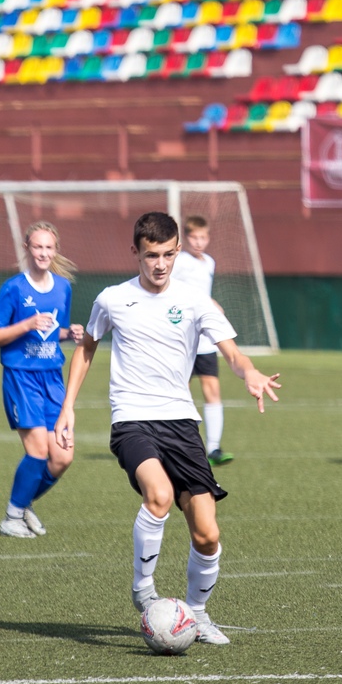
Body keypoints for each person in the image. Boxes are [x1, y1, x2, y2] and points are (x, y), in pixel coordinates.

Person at [55, 212, 281, 646]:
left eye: (168, 255)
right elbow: (86, 351)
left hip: (181, 422)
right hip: (132, 420)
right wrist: (68, 408)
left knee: (207, 532)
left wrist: (249, 372)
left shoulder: (195, 301)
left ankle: (196, 614)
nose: (160, 264)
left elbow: (232, 354)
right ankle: (143, 588)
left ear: (178, 251)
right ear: (135, 252)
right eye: (151, 255)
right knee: (157, 495)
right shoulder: (112, 299)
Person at [0, 221, 85, 538]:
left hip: (52, 379)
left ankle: (22, 502)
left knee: (63, 457)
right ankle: (12, 517)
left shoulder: (63, 287)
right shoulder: (13, 288)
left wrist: (72, 333)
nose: (43, 253)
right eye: (38, 247)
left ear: (56, 250)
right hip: (21, 379)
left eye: (49, 247)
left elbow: (57, 331)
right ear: (27, 249)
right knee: (39, 451)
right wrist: (27, 324)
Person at [171, 215, 232, 466]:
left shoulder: (209, 262)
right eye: (194, 237)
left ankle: (215, 448)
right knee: (179, 391)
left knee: (212, 389)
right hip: (182, 336)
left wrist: (209, 305)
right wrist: (207, 303)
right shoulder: (179, 262)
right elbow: (172, 289)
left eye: (203, 237)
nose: (199, 242)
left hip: (204, 338)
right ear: (186, 238)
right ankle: (178, 444)